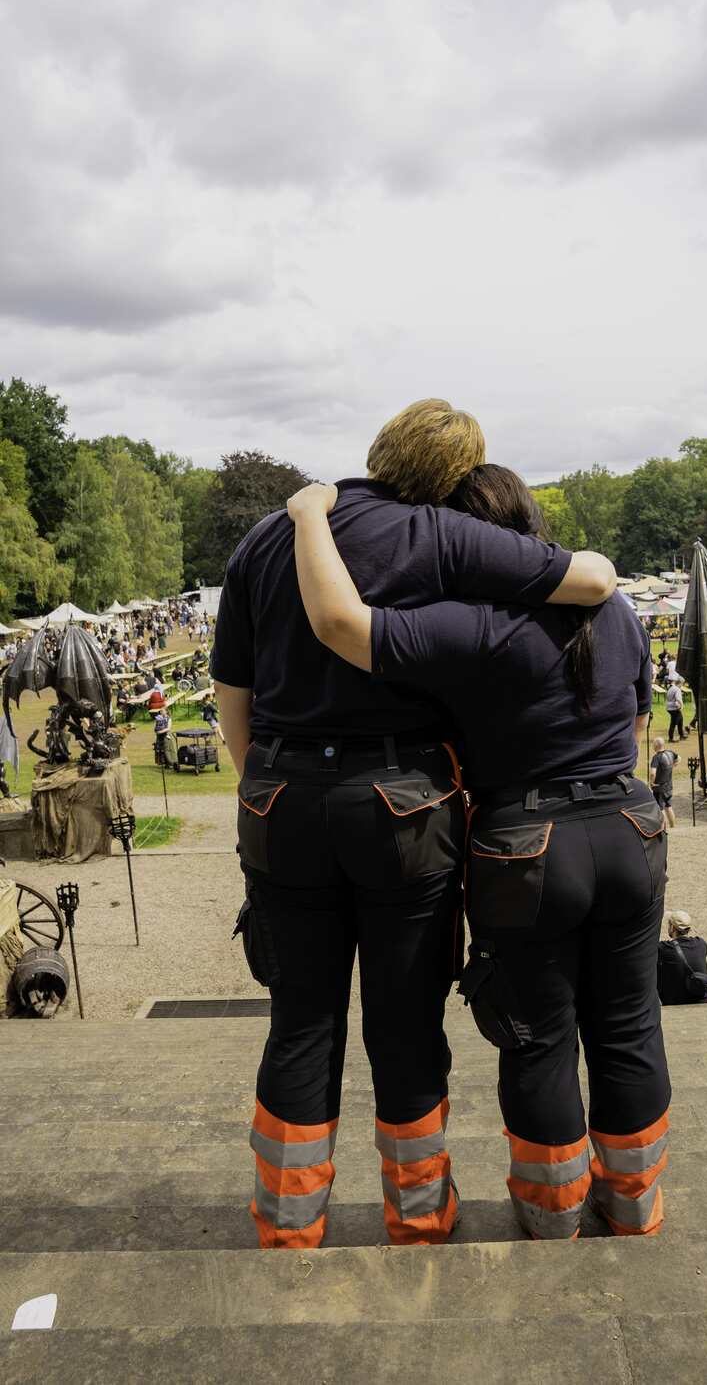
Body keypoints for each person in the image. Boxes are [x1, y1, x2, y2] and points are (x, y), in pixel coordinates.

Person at [212, 402, 617, 1252]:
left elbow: (233, 696)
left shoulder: (265, 538)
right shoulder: (440, 534)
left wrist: (264, 785)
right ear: (452, 480)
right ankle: (420, 1216)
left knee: (300, 1021)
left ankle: (288, 1225)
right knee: (404, 1022)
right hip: (403, 805)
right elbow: (590, 580)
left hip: (280, 793)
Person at [286, 464, 670, 1241]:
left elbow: (342, 625)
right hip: (630, 825)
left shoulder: (477, 624)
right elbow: (635, 726)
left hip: (529, 842)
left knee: (539, 1038)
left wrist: (310, 517)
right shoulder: (618, 610)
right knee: (631, 1024)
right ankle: (634, 1205)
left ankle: (552, 1213)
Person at [657, 910, 707, 1005]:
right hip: (700, 998)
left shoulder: (664, 948)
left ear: (672, 927)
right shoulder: (701, 944)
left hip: (674, 1001)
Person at [650, 736, 678, 826]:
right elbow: (679, 758)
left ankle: (663, 828)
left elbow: (652, 773)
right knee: (668, 806)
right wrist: (673, 765)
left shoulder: (656, 757)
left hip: (659, 787)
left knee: (660, 808)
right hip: (669, 786)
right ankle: (673, 826)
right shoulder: (670, 753)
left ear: (656, 746)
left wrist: (651, 783)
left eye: (653, 744)